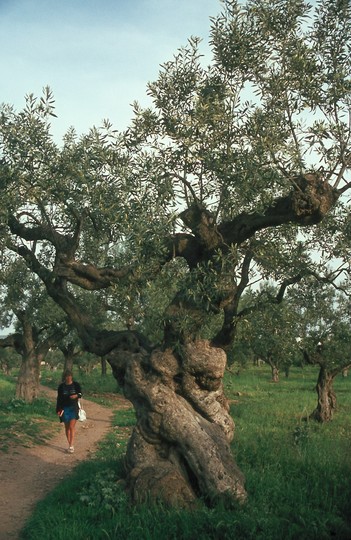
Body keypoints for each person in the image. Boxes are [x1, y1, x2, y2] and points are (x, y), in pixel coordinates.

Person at [56, 369, 82, 454]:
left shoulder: (76, 385)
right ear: (65, 377)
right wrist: (58, 409)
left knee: (72, 427)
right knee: (67, 427)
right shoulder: (61, 387)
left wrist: (76, 395)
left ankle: (71, 445)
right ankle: (69, 443)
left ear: (72, 376)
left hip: (73, 408)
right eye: (67, 376)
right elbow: (59, 398)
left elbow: (81, 394)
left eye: (70, 376)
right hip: (64, 408)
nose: (68, 378)